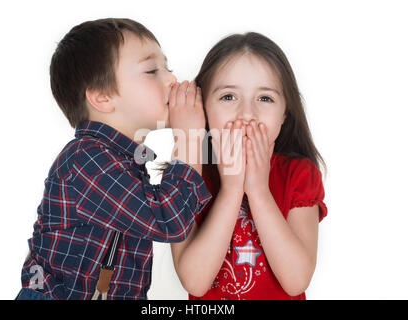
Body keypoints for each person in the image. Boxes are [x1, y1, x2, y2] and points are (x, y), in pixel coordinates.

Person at [17, 18, 211, 300]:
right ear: (103, 97)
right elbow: (169, 221)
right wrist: (190, 139)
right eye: (152, 70)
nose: (171, 79)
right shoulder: (85, 160)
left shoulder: (125, 161)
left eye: (168, 67)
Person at [171, 32, 328, 300]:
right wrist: (232, 189)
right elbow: (195, 282)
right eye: (228, 97)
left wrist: (258, 192)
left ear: (284, 114)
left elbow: (296, 281)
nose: (247, 114)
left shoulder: (300, 174)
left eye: (265, 98)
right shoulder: (188, 173)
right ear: (203, 109)